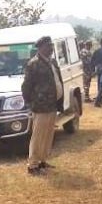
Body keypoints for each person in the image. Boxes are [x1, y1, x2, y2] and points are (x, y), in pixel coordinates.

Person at [21, 36, 63, 175]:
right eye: (48, 46)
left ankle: (42, 161)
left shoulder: (52, 62)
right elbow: (26, 87)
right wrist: (31, 102)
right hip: (40, 106)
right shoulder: (33, 64)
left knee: (48, 135)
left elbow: (58, 80)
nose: (51, 48)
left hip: (52, 104)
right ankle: (32, 165)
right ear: (40, 48)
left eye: (51, 46)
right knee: (38, 135)